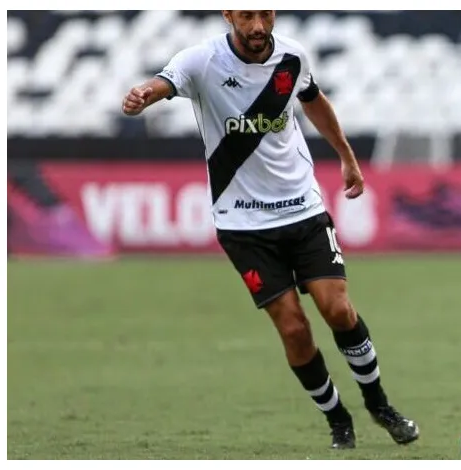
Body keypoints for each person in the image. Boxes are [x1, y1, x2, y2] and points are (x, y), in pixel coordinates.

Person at [120, 10, 418, 450]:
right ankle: (337, 418)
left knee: (337, 309)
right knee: (295, 330)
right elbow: (163, 83)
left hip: (302, 210)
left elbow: (313, 99)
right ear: (228, 14)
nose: (258, 25)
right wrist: (144, 93)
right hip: (243, 225)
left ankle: (379, 403)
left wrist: (347, 157)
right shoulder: (201, 61)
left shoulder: (293, 57)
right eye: (247, 16)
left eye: (266, 14)